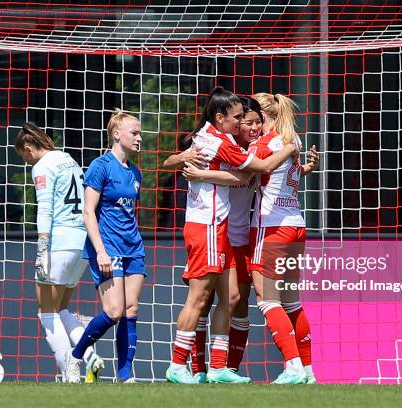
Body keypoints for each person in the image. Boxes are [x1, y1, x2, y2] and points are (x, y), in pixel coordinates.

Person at [164, 87, 298, 384]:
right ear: (221, 116)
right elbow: (258, 168)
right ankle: (180, 366)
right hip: (207, 226)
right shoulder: (220, 142)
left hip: (225, 232)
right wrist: (290, 147)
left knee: (233, 297)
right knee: (200, 299)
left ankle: (219, 367)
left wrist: (198, 171)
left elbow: (250, 174)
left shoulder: (227, 141)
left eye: (249, 120)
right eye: (239, 118)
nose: (243, 124)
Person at [14, 122, 104, 383]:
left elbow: (45, 208)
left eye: (23, 156)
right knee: (62, 308)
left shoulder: (42, 166)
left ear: (28, 148)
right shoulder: (68, 159)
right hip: (82, 243)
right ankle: (88, 357)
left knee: (46, 311)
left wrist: (42, 248)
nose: (25, 160)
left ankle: (69, 370)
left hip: (60, 243)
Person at [64, 111, 144, 383]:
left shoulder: (135, 172)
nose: (139, 138)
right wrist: (100, 251)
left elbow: (130, 213)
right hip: (107, 247)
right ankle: (74, 357)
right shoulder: (100, 166)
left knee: (131, 310)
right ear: (117, 134)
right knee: (113, 311)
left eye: (139, 133)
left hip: (133, 247)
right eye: (134, 133)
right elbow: (88, 212)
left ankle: (125, 376)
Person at [247, 92, 318, 384]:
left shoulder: (263, 145)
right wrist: (306, 169)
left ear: (262, 116)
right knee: (291, 301)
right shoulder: (293, 140)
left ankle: (293, 366)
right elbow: (291, 173)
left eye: (251, 117)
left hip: (271, 226)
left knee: (267, 299)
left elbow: (247, 174)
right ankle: (308, 369)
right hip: (297, 226)